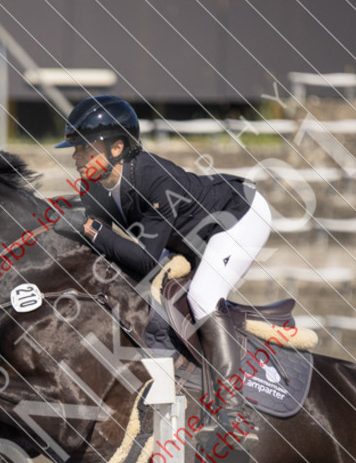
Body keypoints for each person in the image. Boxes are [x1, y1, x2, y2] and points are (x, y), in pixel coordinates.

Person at [55, 94, 272, 445]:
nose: (75, 156)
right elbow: (93, 236)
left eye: (83, 147)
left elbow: (143, 260)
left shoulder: (154, 181)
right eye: (75, 148)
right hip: (191, 236)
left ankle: (234, 410)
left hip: (238, 218)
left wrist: (93, 229)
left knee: (203, 297)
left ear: (117, 148)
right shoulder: (96, 184)